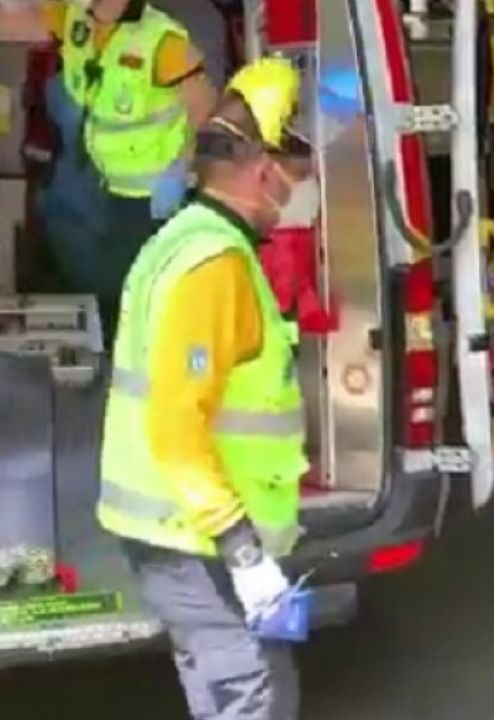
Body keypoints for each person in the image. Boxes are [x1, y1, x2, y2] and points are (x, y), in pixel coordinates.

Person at [95, 57, 316, 720]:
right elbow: (175, 425)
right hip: (198, 540)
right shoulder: (213, 264)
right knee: (253, 698)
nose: (303, 189)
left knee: (241, 691)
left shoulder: (189, 241)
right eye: (298, 172)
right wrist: (243, 551)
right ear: (262, 170)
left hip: (183, 534)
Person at [0, 0, 219, 344]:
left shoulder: (162, 42)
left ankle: (138, 355)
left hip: (149, 194)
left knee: (138, 285)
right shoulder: (76, 18)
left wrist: (181, 169)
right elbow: (16, 24)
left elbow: (203, 104)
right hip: (102, 179)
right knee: (103, 273)